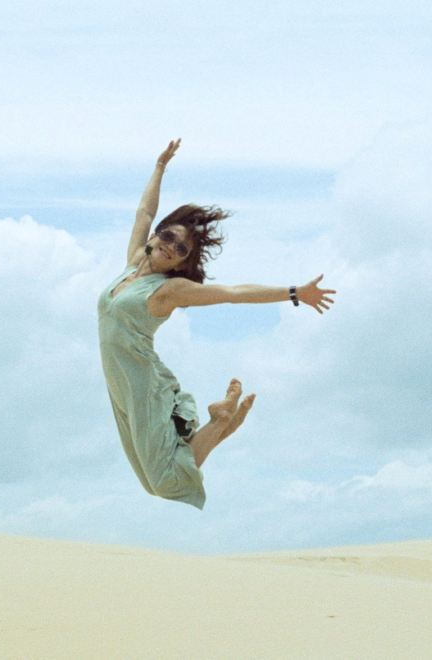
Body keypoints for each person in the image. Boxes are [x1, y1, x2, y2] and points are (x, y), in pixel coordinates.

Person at [98, 139, 336, 508]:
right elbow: (144, 212)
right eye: (168, 236)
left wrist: (293, 292)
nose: (170, 247)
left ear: (181, 265)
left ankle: (220, 422)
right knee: (152, 482)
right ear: (155, 236)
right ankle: (221, 422)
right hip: (120, 382)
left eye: (181, 250)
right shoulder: (131, 264)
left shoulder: (169, 290)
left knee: (165, 480)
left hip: (142, 382)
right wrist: (159, 166)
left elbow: (233, 292)